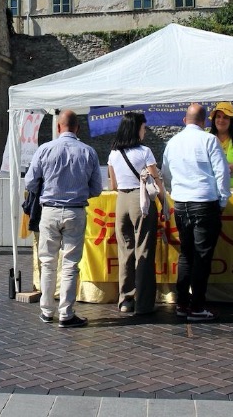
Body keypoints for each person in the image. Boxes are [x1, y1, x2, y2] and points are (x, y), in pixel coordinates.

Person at [24, 110, 102, 328]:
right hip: (75, 211)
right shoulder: (88, 152)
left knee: (47, 262)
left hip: (49, 210)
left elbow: (29, 183)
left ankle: (46, 310)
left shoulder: (44, 149)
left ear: (58, 127)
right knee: (70, 264)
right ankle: (66, 313)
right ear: (77, 128)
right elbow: (96, 188)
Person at [162, 103, 230, 322]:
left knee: (186, 254)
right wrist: (222, 200)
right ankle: (197, 305)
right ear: (205, 122)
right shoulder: (210, 140)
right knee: (202, 256)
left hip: (182, 202)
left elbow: (166, 174)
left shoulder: (172, 142)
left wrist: (176, 191)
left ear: (185, 120)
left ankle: (182, 302)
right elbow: (222, 172)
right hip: (204, 202)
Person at [107, 112, 166, 316]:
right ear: (136, 128)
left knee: (126, 251)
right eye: (143, 127)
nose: (145, 131)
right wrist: (163, 202)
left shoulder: (114, 153)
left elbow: (113, 184)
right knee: (144, 251)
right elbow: (156, 180)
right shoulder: (145, 152)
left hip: (121, 201)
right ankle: (144, 303)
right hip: (141, 201)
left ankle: (125, 299)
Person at [209, 102, 233, 188]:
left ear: (231, 121)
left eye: (225, 117)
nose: (221, 120)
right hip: (211, 192)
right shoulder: (205, 138)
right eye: (218, 117)